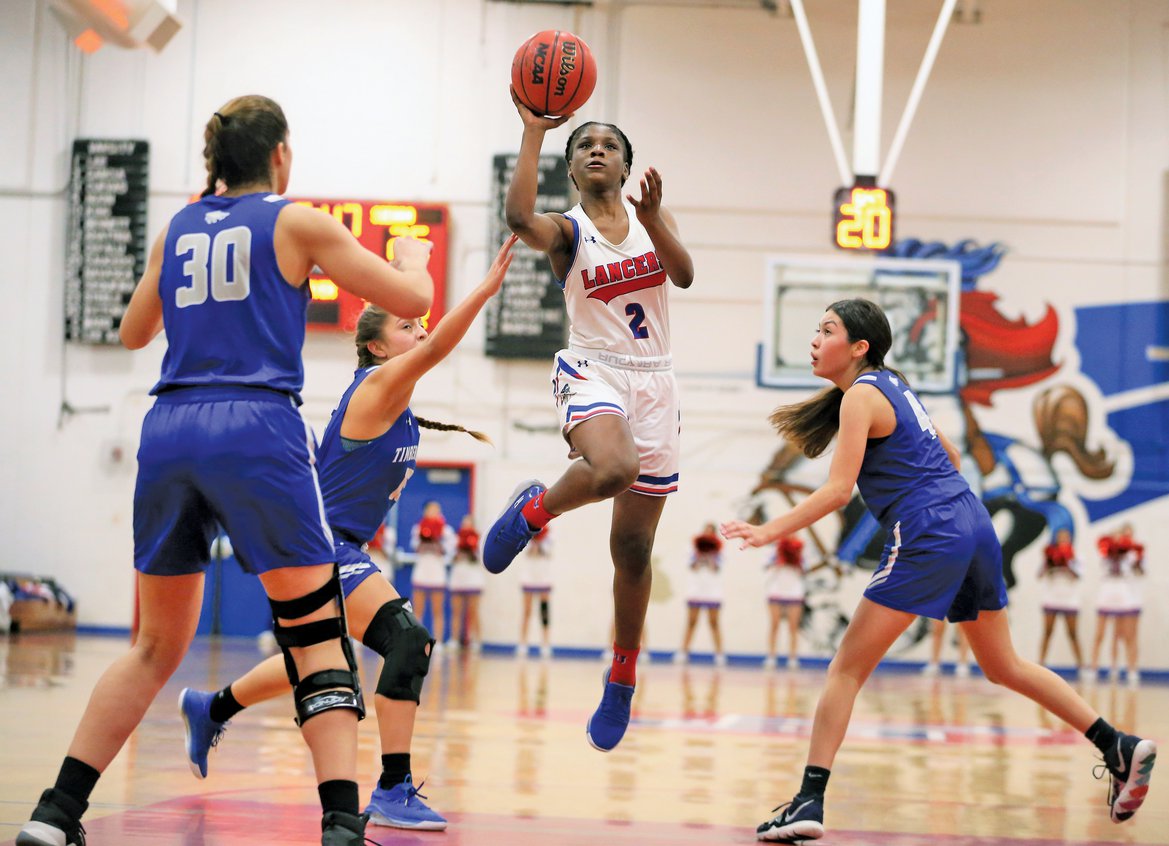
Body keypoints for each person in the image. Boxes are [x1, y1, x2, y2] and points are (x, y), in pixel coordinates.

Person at [17, 95, 435, 846]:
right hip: (254, 424)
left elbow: (132, 331)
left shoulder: (177, 227)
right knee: (315, 640)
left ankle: (55, 814)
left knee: (153, 648)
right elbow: (411, 301)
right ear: (279, 155)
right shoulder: (295, 220)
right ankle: (342, 822)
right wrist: (411, 261)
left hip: (171, 427)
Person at [720, 299, 1156, 842]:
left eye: (826, 330)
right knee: (1003, 666)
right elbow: (950, 456)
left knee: (846, 671)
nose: (814, 339)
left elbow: (836, 492)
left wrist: (768, 530)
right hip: (972, 522)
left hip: (928, 530)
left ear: (859, 347)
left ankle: (809, 800)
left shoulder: (860, 395)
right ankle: (1116, 743)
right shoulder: (896, 387)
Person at [176, 235, 517, 832]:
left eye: (417, 325)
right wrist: (482, 288)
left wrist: (412, 262)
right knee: (408, 643)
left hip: (334, 546)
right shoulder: (378, 388)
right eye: (407, 326)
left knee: (314, 659)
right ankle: (391, 786)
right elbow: (439, 344)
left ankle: (210, 708)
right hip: (321, 546)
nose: (418, 330)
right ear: (376, 345)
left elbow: (424, 326)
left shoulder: (393, 394)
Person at [481, 90, 695, 753]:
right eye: (584, 146)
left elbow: (682, 275)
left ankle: (623, 676)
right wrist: (532, 133)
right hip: (593, 368)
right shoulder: (569, 230)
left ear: (625, 166)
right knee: (612, 468)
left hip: (655, 380)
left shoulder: (650, 219)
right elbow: (518, 215)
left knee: (632, 552)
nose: (595, 150)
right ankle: (532, 514)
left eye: (607, 145)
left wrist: (657, 219)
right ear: (571, 169)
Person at [1091, 524, 1145, 685]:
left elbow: (1139, 571)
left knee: (1128, 635)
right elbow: (1102, 563)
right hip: (1108, 592)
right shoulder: (1105, 550)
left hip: (1126, 595)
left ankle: (1131, 669)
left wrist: (1134, 556)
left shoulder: (1134, 552)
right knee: (1102, 633)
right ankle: (1098, 667)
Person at [677, 523, 726, 666]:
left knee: (714, 622)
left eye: (711, 533)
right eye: (706, 532)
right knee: (691, 621)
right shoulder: (693, 548)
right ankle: (683, 651)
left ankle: (719, 653)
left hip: (713, 590)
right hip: (696, 589)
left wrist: (711, 556)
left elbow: (718, 568)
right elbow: (691, 566)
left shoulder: (719, 549)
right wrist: (699, 554)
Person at [1037, 527, 1084, 673]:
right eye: (1060, 538)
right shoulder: (1050, 554)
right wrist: (1050, 562)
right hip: (1052, 598)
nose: (1063, 540)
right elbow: (1039, 575)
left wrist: (1067, 563)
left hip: (1069, 600)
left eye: (1066, 538)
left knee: (1073, 633)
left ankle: (1081, 666)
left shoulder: (1076, 556)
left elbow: (1078, 576)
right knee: (1047, 631)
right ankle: (1041, 663)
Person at [411, 501, 454, 651]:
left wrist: (438, 543)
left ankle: (439, 641)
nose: (434, 512)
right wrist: (424, 543)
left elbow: (450, 551)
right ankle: (416, 641)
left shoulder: (446, 530)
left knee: (438, 609)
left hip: (437, 571)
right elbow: (414, 545)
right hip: (422, 570)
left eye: (437, 509)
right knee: (418, 609)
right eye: (431, 509)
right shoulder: (418, 528)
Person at [764, 535, 807, 670]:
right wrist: (779, 560)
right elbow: (766, 567)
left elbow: (805, 570)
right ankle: (771, 656)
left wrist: (795, 559)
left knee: (793, 627)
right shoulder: (774, 551)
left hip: (794, 592)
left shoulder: (801, 551)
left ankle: (793, 657)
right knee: (774, 624)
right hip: (776, 590)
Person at [448, 514, 485, 651]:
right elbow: (449, 555)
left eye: (469, 522)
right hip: (458, 575)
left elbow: (482, 558)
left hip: (473, 576)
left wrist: (472, 551)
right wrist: (457, 553)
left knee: (473, 610)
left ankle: (477, 639)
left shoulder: (479, 538)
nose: (466, 525)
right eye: (464, 522)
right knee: (456, 610)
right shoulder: (454, 538)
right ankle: (454, 639)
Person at [517, 525, 554, 658]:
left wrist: (539, 543)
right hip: (529, 575)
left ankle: (545, 643)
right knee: (527, 610)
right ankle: (523, 643)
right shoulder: (526, 532)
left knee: (544, 610)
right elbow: (523, 550)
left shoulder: (549, 536)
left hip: (543, 576)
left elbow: (549, 551)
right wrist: (533, 543)